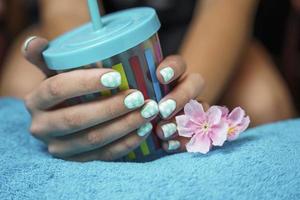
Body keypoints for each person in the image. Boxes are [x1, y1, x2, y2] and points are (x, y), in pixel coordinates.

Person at [0, 0, 297, 161]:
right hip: (101, 30)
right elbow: (66, 8)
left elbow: (225, 12)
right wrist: (89, 85)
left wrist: (177, 106)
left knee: (263, 101)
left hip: (201, 25)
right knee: (18, 87)